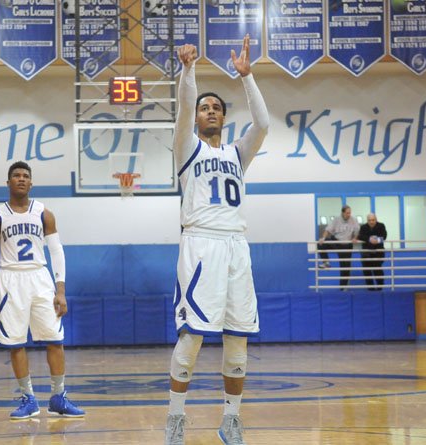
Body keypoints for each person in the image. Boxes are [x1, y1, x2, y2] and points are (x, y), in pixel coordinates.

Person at [165, 34, 269, 445]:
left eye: (216, 108)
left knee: (238, 336)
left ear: (224, 118)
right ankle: (175, 419)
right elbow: (185, 106)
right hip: (201, 245)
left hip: (236, 247)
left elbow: (262, 124)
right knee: (192, 334)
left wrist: (247, 77)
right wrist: (188, 71)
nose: (209, 111)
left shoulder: (237, 155)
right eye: (205, 108)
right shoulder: (187, 149)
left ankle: (231, 420)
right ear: (197, 118)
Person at [0, 161, 84, 419]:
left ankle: (58, 396)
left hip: (40, 277)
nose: (21, 179)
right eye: (16, 175)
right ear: (8, 182)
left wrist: (60, 290)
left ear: (31, 182)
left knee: (55, 338)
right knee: (15, 342)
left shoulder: (44, 213)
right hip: (10, 279)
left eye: (25, 176)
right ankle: (28, 399)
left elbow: (57, 251)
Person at [317, 206, 360, 289]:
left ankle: (343, 288)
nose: (349, 214)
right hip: (336, 242)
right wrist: (323, 238)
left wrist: (355, 238)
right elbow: (327, 230)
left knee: (345, 267)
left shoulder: (353, 220)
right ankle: (326, 263)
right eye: (347, 213)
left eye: (350, 212)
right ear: (342, 213)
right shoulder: (336, 219)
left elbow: (357, 231)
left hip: (347, 245)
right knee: (321, 244)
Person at [357, 213, 387, 291]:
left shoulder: (381, 226)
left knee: (377, 270)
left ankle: (380, 287)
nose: (371, 222)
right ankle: (370, 289)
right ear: (367, 220)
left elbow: (384, 236)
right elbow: (360, 236)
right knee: (366, 271)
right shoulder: (363, 227)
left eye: (373, 220)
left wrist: (377, 240)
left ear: (376, 219)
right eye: (369, 220)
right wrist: (369, 239)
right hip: (366, 252)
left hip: (378, 252)